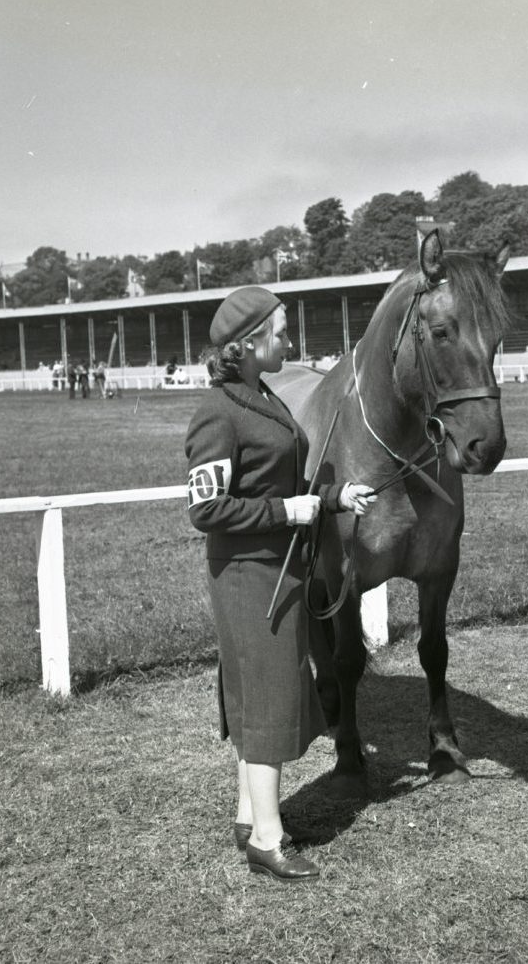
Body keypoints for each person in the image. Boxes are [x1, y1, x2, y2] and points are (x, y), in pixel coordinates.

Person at [185, 286, 376, 883]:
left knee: (261, 697)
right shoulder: (219, 411)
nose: (290, 340)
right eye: (282, 329)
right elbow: (206, 509)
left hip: (280, 568)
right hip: (248, 577)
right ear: (247, 343)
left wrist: (330, 498)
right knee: (265, 700)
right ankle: (268, 840)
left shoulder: (261, 395)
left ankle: (250, 816)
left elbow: (278, 485)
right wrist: (285, 514)